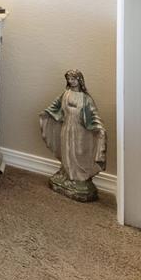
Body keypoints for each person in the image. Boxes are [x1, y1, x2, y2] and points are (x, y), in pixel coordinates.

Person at [39, 70, 107, 201]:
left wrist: (99, 128)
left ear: (79, 80)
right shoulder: (66, 94)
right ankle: (67, 173)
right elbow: (55, 106)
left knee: (78, 151)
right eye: (69, 79)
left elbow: (93, 114)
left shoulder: (86, 98)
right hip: (66, 127)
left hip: (80, 129)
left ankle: (79, 176)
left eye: (73, 79)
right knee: (67, 150)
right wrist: (46, 113)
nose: (71, 81)